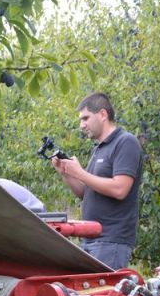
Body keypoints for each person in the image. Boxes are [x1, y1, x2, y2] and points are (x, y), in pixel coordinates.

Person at [52, 92, 142, 270]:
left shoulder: (126, 142)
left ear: (102, 114)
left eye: (85, 118)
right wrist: (66, 173)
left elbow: (120, 189)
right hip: (90, 239)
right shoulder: (99, 149)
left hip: (111, 241)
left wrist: (80, 173)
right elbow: (86, 193)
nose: (81, 125)